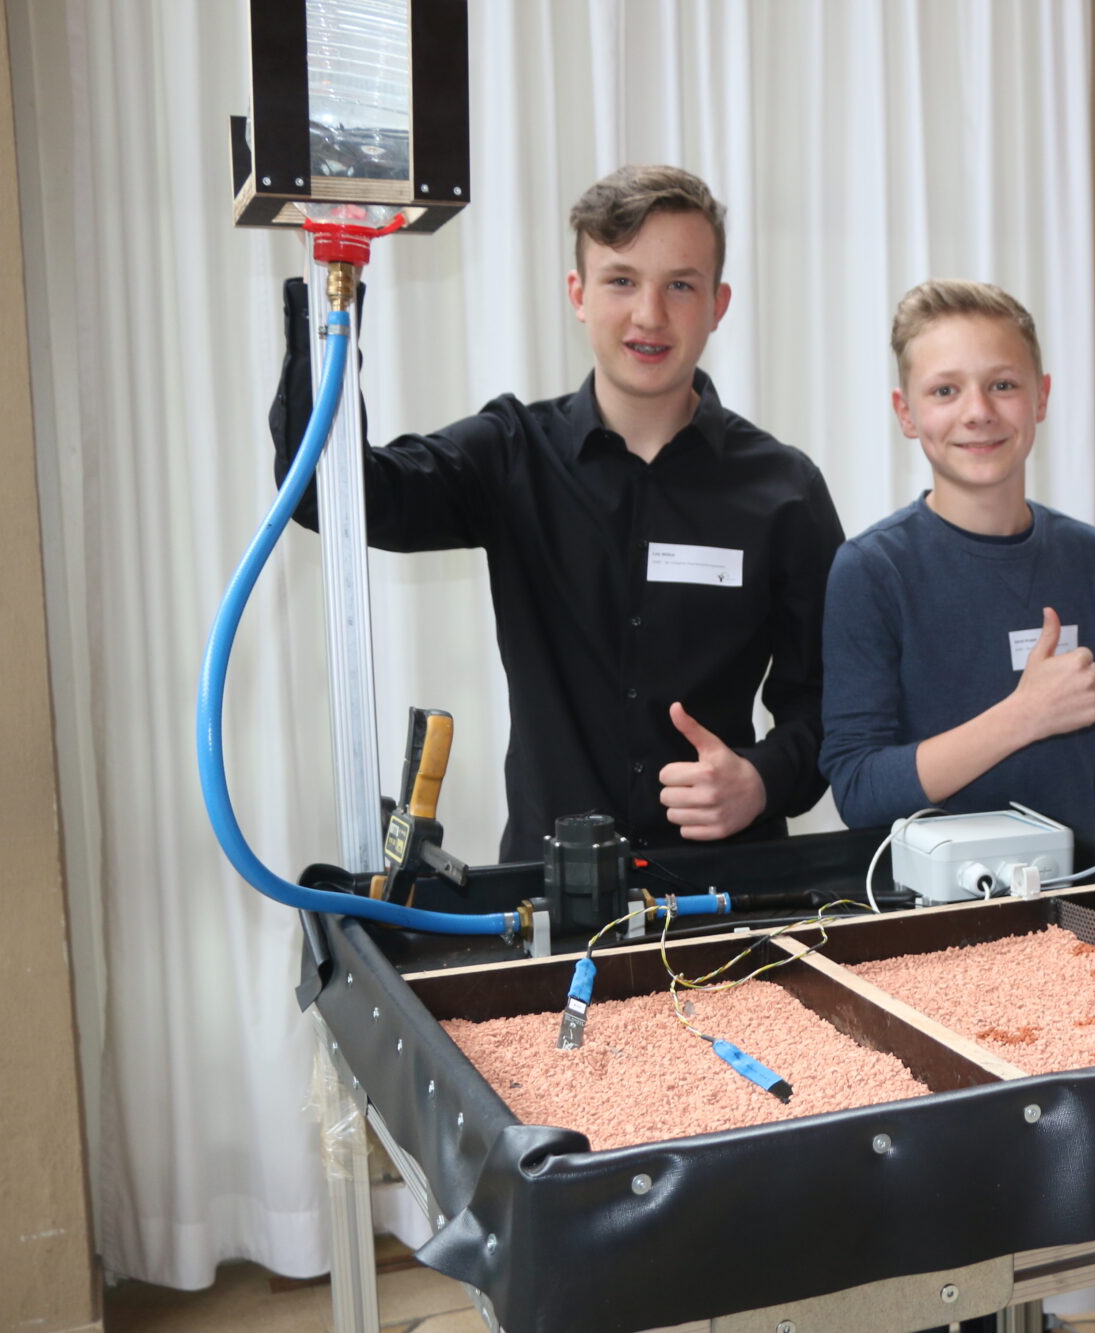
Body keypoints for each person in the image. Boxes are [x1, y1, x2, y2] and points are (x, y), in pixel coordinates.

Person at [271, 165, 844, 860]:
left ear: (718, 303)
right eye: (622, 280)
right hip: (541, 897)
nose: (649, 315)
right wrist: (329, 294)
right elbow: (327, 494)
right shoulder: (512, 454)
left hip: (723, 891)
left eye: (680, 285)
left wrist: (761, 779)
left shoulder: (785, 490)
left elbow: (832, 707)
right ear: (579, 294)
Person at [818, 279, 1095, 843]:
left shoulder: (1088, 557)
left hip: (1075, 887)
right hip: (929, 894)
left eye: (1003, 385)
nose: (978, 412)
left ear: (1041, 397)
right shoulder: (871, 570)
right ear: (906, 413)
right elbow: (859, 788)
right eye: (945, 391)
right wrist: (1023, 716)